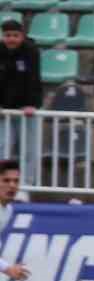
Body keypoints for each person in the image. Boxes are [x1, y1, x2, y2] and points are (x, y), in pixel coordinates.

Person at [0, 26, 43, 220]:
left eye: (15, 36)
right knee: (3, 147)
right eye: (7, 35)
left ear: (22, 36)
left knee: (28, 150)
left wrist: (32, 104)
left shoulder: (31, 52)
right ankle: (3, 188)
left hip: (27, 110)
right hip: (5, 111)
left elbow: (34, 79)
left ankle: (24, 186)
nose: (11, 39)